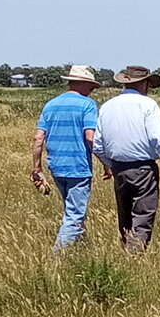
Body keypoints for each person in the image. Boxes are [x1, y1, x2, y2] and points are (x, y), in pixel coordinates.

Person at [97, 65, 160, 250]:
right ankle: (134, 256)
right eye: (148, 83)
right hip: (143, 168)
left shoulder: (107, 107)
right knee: (142, 215)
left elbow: (97, 144)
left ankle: (126, 247)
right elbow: (159, 140)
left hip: (119, 167)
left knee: (125, 215)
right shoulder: (148, 105)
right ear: (143, 83)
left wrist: (109, 164)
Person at [30, 66, 108, 250]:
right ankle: (56, 257)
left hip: (56, 167)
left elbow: (38, 138)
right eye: (90, 86)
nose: (92, 90)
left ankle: (81, 250)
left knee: (72, 210)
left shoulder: (50, 105)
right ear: (81, 83)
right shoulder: (87, 105)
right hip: (78, 168)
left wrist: (37, 168)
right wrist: (106, 163)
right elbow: (90, 137)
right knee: (75, 215)